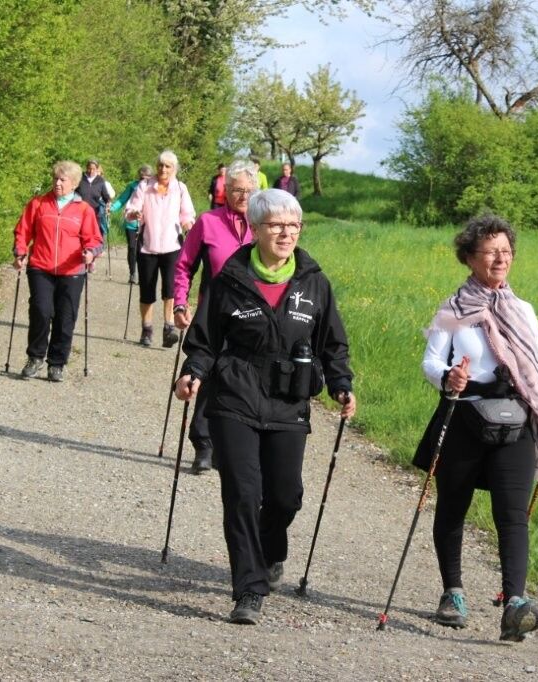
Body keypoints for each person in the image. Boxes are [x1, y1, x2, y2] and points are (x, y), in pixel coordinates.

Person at [174, 188, 356, 625]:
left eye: (293, 225)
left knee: (285, 496)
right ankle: (249, 590)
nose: (286, 233)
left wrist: (341, 385)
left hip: (288, 400)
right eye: (276, 225)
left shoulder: (314, 282)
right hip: (234, 396)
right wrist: (193, 371)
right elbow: (205, 339)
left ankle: (271, 552)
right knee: (242, 493)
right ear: (254, 229)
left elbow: (332, 343)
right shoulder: (230, 279)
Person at [414, 214, 538, 642]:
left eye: (506, 251)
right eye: (491, 251)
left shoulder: (523, 311)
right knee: (453, 506)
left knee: (512, 513)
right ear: (469, 257)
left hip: (518, 419)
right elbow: (431, 361)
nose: (501, 258)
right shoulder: (452, 310)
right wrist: (449, 377)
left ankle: (515, 603)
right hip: (465, 415)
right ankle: (453, 593)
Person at [173, 159, 257, 474]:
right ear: (225, 191)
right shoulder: (208, 222)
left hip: (252, 318)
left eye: (248, 191)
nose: (242, 196)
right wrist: (180, 303)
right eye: (236, 190)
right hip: (214, 315)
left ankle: (230, 445)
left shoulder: (263, 225)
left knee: (241, 382)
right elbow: (184, 265)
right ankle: (204, 444)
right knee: (207, 377)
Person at [13, 160, 103, 382]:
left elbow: (94, 239)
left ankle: (57, 363)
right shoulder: (38, 204)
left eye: (63, 180)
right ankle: (35, 358)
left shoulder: (84, 210)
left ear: (74, 184)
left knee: (65, 317)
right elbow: (22, 231)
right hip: (40, 266)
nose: (57, 183)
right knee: (41, 311)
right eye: (55, 179)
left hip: (72, 270)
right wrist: (20, 252)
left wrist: (90, 253)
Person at [124, 150, 195, 348]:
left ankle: (168, 327)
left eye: (167, 166)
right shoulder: (145, 186)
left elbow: (187, 213)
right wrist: (134, 213)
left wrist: (188, 223)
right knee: (147, 291)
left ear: (174, 169)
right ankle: (146, 329)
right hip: (148, 246)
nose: (163, 169)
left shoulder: (180, 188)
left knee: (170, 290)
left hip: (172, 246)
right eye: (160, 165)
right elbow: (130, 209)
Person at [110, 164, 152, 284]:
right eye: (142, 177)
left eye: (147, 177)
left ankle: (143, 273)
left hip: (146, 224)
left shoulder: (153, 187)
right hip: (131, 223)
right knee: (132, 248)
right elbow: (122, 199)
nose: (144, 179)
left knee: (142, 250)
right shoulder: (132, 186)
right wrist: (111, 208)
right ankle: (132, 273)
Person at [76, 158, 111, 237]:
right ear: (86, 167)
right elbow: (73, 191)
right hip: (80, 209)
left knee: (92, 231)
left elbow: (105, 195)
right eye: (89, 168)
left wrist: (108, 203)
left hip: (94, 210)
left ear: (97, 169)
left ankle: (92, 247)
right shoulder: (80, 177)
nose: (91, 171)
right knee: (80, 230)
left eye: (93, 169)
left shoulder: (100, 180)